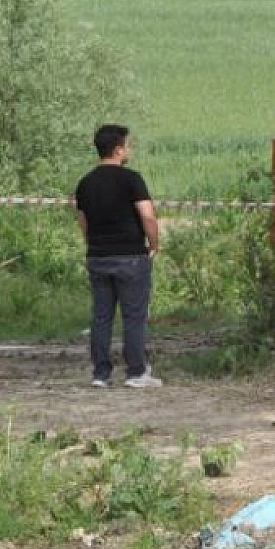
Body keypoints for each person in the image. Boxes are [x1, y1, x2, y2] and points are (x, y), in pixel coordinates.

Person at [74, 124, 162, 388]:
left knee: (101, 317)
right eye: (128, 145)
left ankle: (101, 374)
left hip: (98, 256)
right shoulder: (131, 179)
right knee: (133, 316)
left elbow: (83, 221)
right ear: (118, 149)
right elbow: (147, 216)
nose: (129, 150)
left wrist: (93, 244)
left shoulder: (85, 183)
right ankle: (136, 372)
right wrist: (154, 243)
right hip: (130, 256)